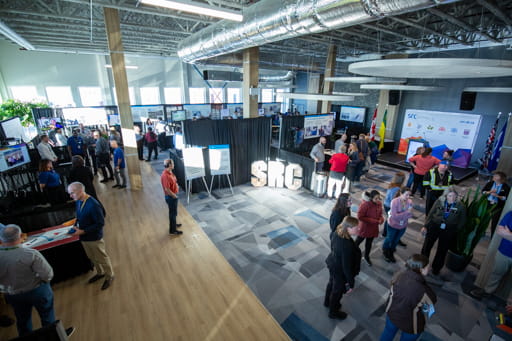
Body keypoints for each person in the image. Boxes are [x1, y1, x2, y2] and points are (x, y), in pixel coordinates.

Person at [0, 225, 74, 337]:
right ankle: (54, 336)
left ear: (1, 239)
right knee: (47, 317)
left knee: (23, 321)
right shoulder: (31, 254)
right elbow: (48, 274)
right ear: (20, 236)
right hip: (37, 291)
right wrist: (43, 282)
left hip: (13, 295)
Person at [67, 182, 114, 290]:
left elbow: (100, 224)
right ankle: (100, 272)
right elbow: (78, 217)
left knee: (102, 258)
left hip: (94, 238)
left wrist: (82, 231)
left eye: (72, 193)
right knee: (92, 257)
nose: (70, 196)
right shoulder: (78, 201)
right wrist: (74, 227)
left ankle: (109, 275)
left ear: (80, 191)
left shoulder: (93, 204)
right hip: (84, 237)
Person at [380, 254, 437, 341]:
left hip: (391, 314)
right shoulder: (423, 290)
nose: (430, 268)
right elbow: (432, 300)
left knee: (387, 334)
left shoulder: (398, 276)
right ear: (421, 270)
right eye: (428, 267)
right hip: (410, 323)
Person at [421, 187, 466, 276]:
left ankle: (436, 268)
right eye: (450, 196)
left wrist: (455, 230)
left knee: (442, 250)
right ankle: (422, 264)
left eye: (454, 196)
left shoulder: (461, 206)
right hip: (434, 226)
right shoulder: (439, 201)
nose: (452, 198)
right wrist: (425, 226)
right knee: (427, 246)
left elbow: (462, 220)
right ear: (446, 196)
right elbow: (431, 213)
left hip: (449, 230)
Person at [324, 216, 361, 320]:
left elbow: (332, 248)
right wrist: (351, 283)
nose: (358, 229)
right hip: (339, 270)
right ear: (348, 228)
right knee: (337, 291)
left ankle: (327, 302)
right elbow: (346, 267)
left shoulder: (336, 232)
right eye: (356, 227)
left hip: (332, 263)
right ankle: (333, 312)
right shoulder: (347, 245)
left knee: (331, 283)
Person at [469, 210, 512, 299]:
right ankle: (487, 291)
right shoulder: (510, 214)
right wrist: (505, 233)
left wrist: (508, 233)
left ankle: (509, 306)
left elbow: (504, 233)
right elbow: (500, 231)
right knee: (496, 273)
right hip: (504, 251)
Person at [382, 187, 413, 263]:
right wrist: (406, 213)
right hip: (393, 225)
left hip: (403, 226)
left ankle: (391, 252)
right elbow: (394, 216)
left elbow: (410, 215)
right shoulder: (394, 202)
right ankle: (385, 250)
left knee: (396, 240)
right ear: (401, 193)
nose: (408, 197)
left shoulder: (410, 202)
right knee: (389, 238)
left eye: (409, 195)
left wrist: (402, 215)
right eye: (406, 195)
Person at [356, 190, 384, 266]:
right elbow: (360, 216)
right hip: (365, 227)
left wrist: (381, 219)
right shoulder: (365, 204)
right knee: (358, 242)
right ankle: (351, 254)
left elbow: (380, 213)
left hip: (373, 228)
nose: (378, 200)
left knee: (369, 243)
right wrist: (373, 220)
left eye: (379, 198)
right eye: (376, 198)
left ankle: (366, 256)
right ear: (371, 198)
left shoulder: (379, 203)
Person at [482, 171, 510, 237]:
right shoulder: (490, 183)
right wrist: (490, 192)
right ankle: (481, 232)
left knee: (494, 222)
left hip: (497, 206)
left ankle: (492, 236)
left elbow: (506, 198)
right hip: (487, 203)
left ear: (501, 178)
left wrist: (497, 196)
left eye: (496, 176)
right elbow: (483, 192)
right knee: (484, 218)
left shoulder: (506, 187)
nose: (494, 176)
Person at [161, 159, 183, 235]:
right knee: (172, 214)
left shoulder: (170, 172)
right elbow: (167, 189)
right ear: (169, 165)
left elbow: (174, 181)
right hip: (171, 197)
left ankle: (174, 224)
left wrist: (176, 186)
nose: (174, 165)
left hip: (173, 196)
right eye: (173, 163)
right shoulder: (165, 175)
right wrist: (175, 196)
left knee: (174, 213)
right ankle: (172, 230)